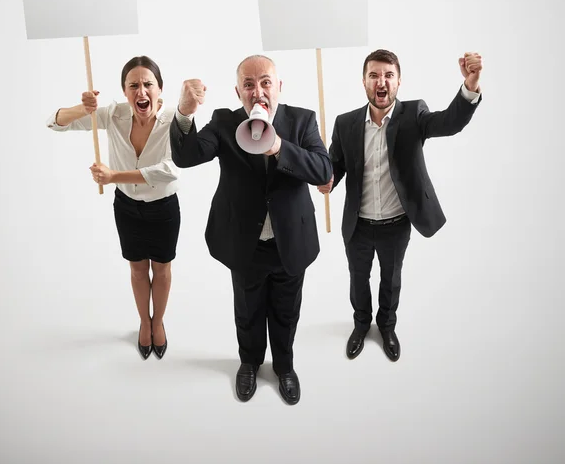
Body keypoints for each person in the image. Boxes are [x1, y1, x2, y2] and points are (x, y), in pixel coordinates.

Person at [170, 54, 331, 405]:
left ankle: (285, 367)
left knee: (287, 312)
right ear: (238, 91)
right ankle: (249, 363)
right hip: (245, 243)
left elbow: (323, 170)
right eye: (248, 84)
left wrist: (279, 148)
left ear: (278, 87)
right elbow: (185, 157)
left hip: (290, 242)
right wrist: (184, 113)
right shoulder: (225, 122)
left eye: (265, 82)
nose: (257, 91)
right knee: (248, 311)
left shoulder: (302, 120)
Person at [318, 49, 482, 362]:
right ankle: (361, 324)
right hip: (358, 225)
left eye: (388, 75)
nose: (381, 81)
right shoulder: (345, 122)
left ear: (398, 82)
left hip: (396, 223)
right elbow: (335, 164)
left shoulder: (414, 115)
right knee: (358, 279)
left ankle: (387, 325)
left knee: (391, 280)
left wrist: (470, 86)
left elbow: (449, 123)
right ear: (364, 82)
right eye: (374, 75)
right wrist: (328, 180)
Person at [46, 56, 181, 361]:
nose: (141, 91)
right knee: (136, 268)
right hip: (127, 207)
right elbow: (55, 123)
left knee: (161, 268)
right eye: (133, 85)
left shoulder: (175, 119)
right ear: (124, 91)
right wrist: (84, 109)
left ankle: (157, 322)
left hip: (164, 208)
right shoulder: (113, 115)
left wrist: (114, 176)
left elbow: (171, 170)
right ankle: (143, 323)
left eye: (148, 84)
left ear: (160, 89)